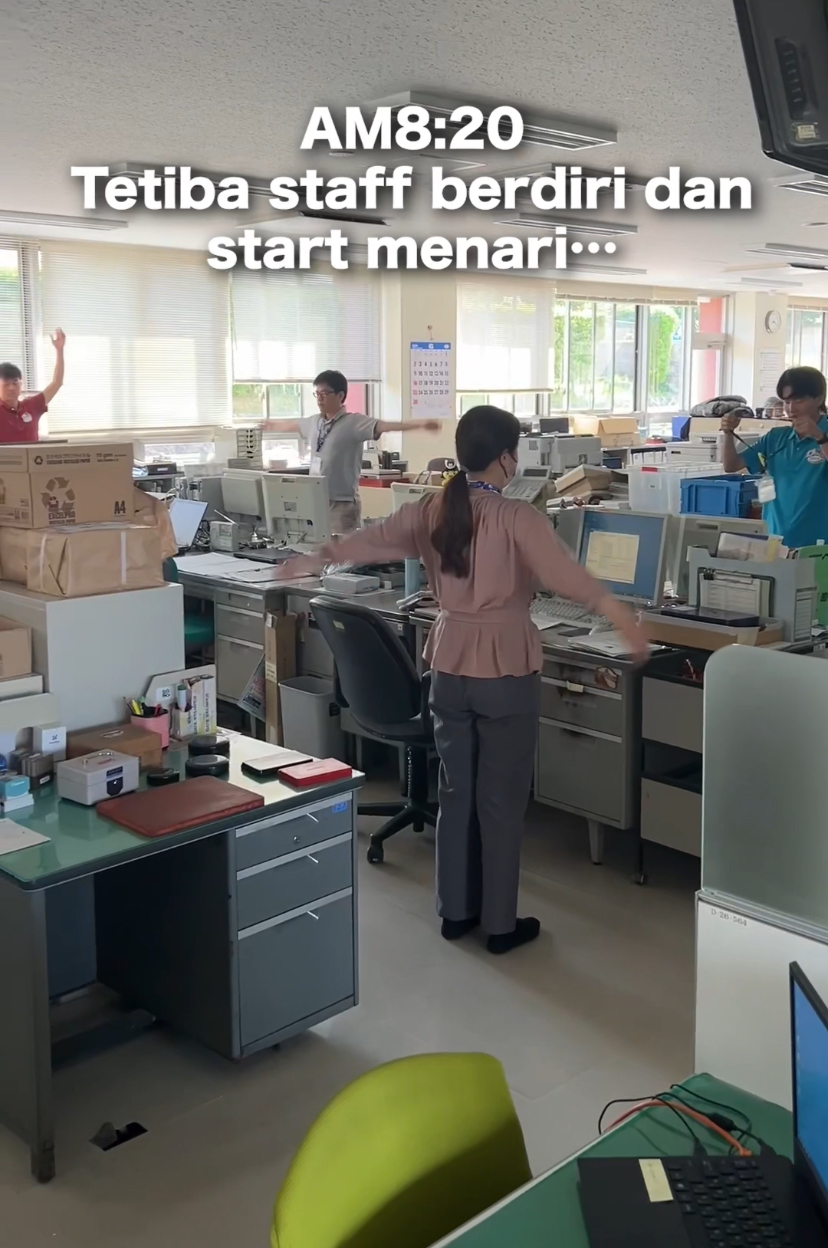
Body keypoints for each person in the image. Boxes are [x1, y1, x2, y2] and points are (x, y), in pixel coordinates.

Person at [277, 406, 648, 955]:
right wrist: (624, 624)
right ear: (505, 458)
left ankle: (454, 913)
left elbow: (369, 540)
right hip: (504, 667)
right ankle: (499, 924)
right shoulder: (518, 517)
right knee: (499, 801)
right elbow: (568, 578)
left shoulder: (430, 508)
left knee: (455, 792)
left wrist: (310, 559)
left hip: (448, 665)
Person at [268, 369, 440, 534]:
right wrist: (269, 426)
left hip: (342, 505)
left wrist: (419, 425)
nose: (319, 399)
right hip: (316, 501)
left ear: (340, 395)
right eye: (317, 394)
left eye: (325, 394)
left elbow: (385, 426)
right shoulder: (314, 422)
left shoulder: (353, 423)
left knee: (342, 557)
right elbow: (292, 425)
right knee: (316, 550)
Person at [722, 366, 828, 547]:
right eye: (786, 402)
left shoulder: (824, 435)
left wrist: (820, 437)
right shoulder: (776, 437)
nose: (791, 408)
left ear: (818, 399)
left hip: (819, 544)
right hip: (776, 540)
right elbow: (731, 465)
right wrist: (728, 433)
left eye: (799, 400)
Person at [0, 328, 66, 443]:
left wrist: (59, 350)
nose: (11, 388)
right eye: (6, 384)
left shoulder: (32, 405)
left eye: (15, 383)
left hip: (32, 459)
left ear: (21, 384)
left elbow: (57, 382)